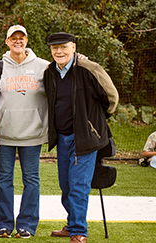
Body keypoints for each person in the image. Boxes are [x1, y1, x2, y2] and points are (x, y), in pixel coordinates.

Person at [44, 32, 118, 243]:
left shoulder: (89, 69)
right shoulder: (50, 72)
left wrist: (93, 121)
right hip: (62, 137)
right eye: (54, 47)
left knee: (78, 186)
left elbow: (111, 98)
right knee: (66, 185)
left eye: (63, 46)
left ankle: (78, 232)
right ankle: (71, 224)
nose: (59, 51)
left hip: (84, 138)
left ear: (74, 47)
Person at [0, 25, 50, 239]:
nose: (17, 41)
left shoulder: (43, 66)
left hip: (32, 133)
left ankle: (27, 225)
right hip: (3, 133)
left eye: (21, 38)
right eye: (13, 38)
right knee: (4, 179)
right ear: (7, 42)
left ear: (26, 40)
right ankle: (4, 225)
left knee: (31, 180)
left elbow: (57, 93)